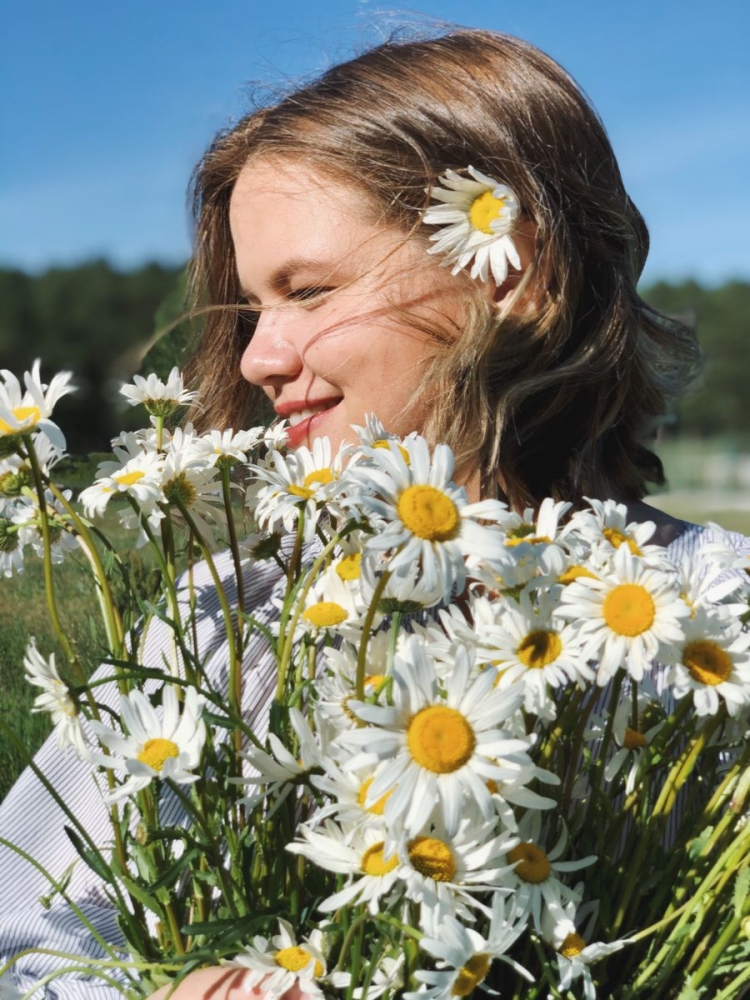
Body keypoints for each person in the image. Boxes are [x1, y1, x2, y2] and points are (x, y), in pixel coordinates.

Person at [1, 25, 747, 1000]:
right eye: (248, 313)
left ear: (505, 274)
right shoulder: (228, 625)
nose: (262, 358)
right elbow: (31, 933)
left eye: (306, 291)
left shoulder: (714, 613)